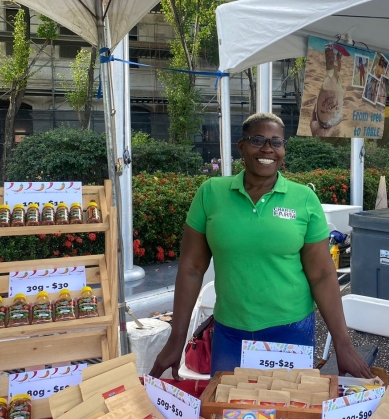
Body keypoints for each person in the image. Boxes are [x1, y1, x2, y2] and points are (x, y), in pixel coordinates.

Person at [150, 113, 373, 379]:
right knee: (229, 415)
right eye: (258, 140)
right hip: (230, 333)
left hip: (290, 331)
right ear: (241, 147)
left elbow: (323, 275)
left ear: (283, 151)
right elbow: (191, 269)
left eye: (276, 142)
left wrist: (342, 344)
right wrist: (176, 340)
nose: (268, 148)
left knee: (287, 414)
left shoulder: (304, 199)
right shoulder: (211, 193)